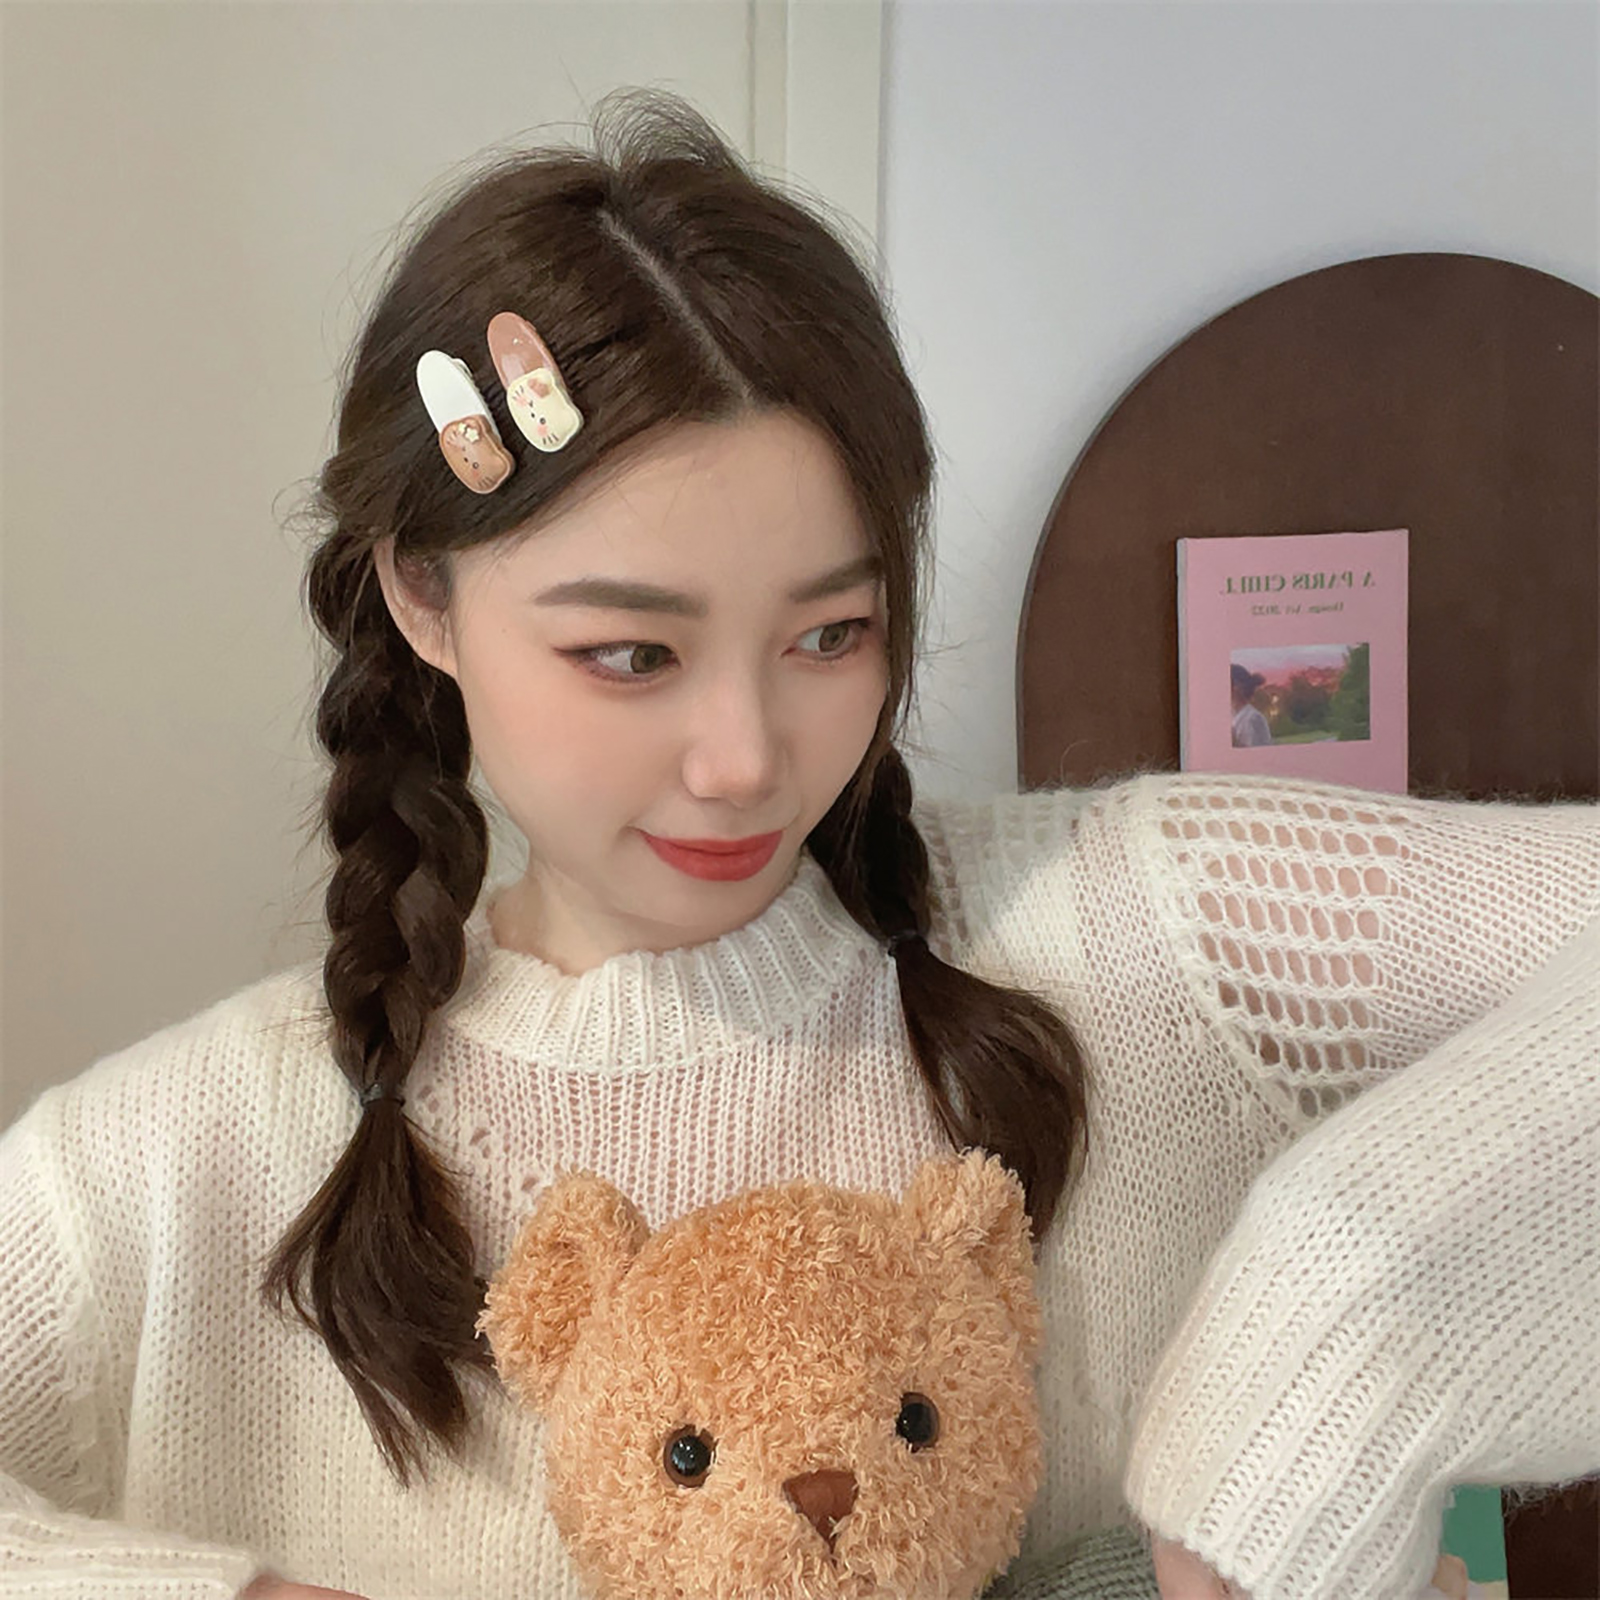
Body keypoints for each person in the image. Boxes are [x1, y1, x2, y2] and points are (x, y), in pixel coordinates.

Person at [2, 89, 1597, 1600]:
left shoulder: (1158, 932)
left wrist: (1352, 1300)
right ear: (424, 594)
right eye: (632, 654)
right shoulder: (183, 1158)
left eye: (830, 634)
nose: (748, 761)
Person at [1229, 665, 1273, 748]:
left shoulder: (1252, 719)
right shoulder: (1231, 717)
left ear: (1236, 686)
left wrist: (1235, 744)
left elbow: (1260, 753)